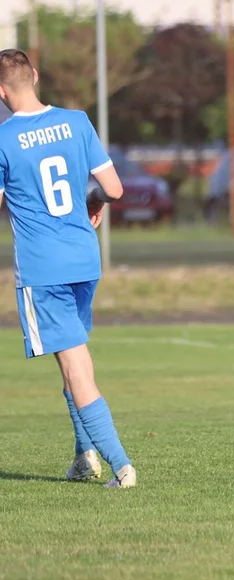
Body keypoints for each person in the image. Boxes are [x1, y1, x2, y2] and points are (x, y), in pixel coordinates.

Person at [0, 48, 136, 487]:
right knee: (71, 359)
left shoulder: (3, 140)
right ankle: (84, 456)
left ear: (0, 92)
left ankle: (121, 466)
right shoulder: (77, 121)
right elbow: (113, 188)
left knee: (77, 367)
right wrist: (93, 199)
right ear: (35, 76)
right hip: (84, 258)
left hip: (44, 269)